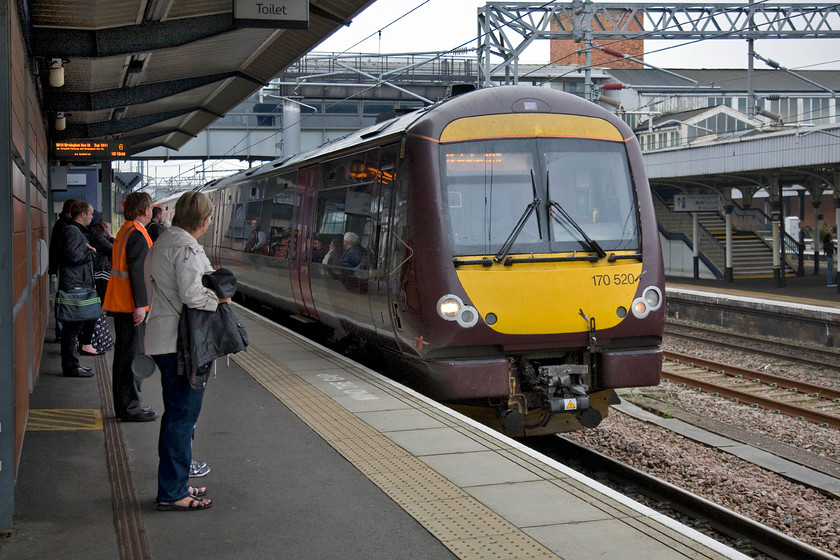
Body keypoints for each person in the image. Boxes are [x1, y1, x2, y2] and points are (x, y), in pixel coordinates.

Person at [145, 191, 230, 511]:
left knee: (177, 416)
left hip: (165, 339)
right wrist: (220, 300)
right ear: (206, 221)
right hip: (180, 345)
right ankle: (172, 491)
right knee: (182, 419)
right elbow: (194, 295)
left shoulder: (165, 243)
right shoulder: (185, 248)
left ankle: (176, 483)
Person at [103, 192, 158, 422]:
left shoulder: (126, 230)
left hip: (121, 302)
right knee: (132, 358)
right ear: (145, 210)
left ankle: (125, 405)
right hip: (130, 307)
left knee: (124, 357)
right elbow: (138, 272)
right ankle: (131, 407)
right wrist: (141, 306)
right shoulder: (137, 234)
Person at [57, 200, 98, 377]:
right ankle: (70, 366)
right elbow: (74, 256)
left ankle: (72, 363)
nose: (92, 216)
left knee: (73, 328)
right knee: (72, 328)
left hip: (76, 283)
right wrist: (91, 252)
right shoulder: (73, 232)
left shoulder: (73, 231)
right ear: (82, 214)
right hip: (75, 285)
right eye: (90, 213)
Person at [49, 199, 76, 341]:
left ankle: (61, 331)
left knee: (62, 298)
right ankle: (61, 332)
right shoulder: (66, 226)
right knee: (62, 299)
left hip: (59, 266)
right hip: (63, 267)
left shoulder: (61, 223)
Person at [88, 211, 115, 353]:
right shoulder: (99, 236)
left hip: (99, 272)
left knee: (98, 306)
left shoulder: (94, 235)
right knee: (99, 306)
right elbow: (115, 249)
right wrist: (109, 234)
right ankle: (95, 340)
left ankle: (95, 339)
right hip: (101, 273)